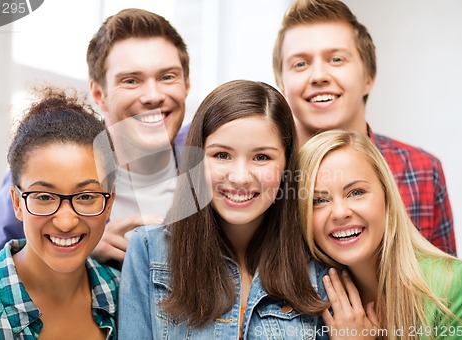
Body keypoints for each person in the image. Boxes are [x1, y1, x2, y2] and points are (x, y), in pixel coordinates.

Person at [0, 8, 191, 277]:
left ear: (186, 84)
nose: (153, 95)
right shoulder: (46, 172)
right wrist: (76, 250)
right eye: (131, 81)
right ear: (99, 93)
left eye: (167, 77)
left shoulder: (214, 157)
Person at [119, 80, 329, 339]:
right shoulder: (148, 250)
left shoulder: (317, 263)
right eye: (221, 155)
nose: (240, 177)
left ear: (286, 165)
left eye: (261, 157)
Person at [272, 0, 456, 255]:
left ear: (368, 77)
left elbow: (449, 288)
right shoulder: (265, 175)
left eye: (336, 59)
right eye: (300, 64)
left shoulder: (423, 171)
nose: (318, 76)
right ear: (282, 84)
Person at [0, 88, 120, 338]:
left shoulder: (127, 297)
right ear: (17, 202)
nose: (66, 221)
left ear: (109, 202)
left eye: (86, 197)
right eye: (45, 197)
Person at [298, 130, 462, 339]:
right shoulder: (310, 301)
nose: (340, 213)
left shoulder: (454, 285)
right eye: (319, 201)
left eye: (356, 192)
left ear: (387, 195)